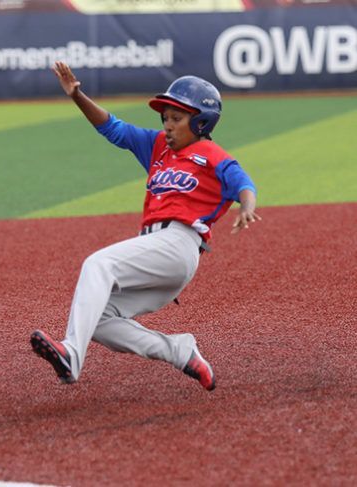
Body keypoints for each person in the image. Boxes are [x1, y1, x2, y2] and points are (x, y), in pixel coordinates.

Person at [30, 62, 261, 391]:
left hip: (179, 243)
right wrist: (77, 96)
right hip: (160, 254)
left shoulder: (210, 153)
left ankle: (71, 353)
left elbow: (242, 182)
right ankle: (180, 351)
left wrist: (247, 207)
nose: (168, 125)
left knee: (98, 264)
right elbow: (115, 129)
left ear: (200, 121)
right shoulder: (158, 148)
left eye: (177, 118)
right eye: (165, 118)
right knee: (98, 318)